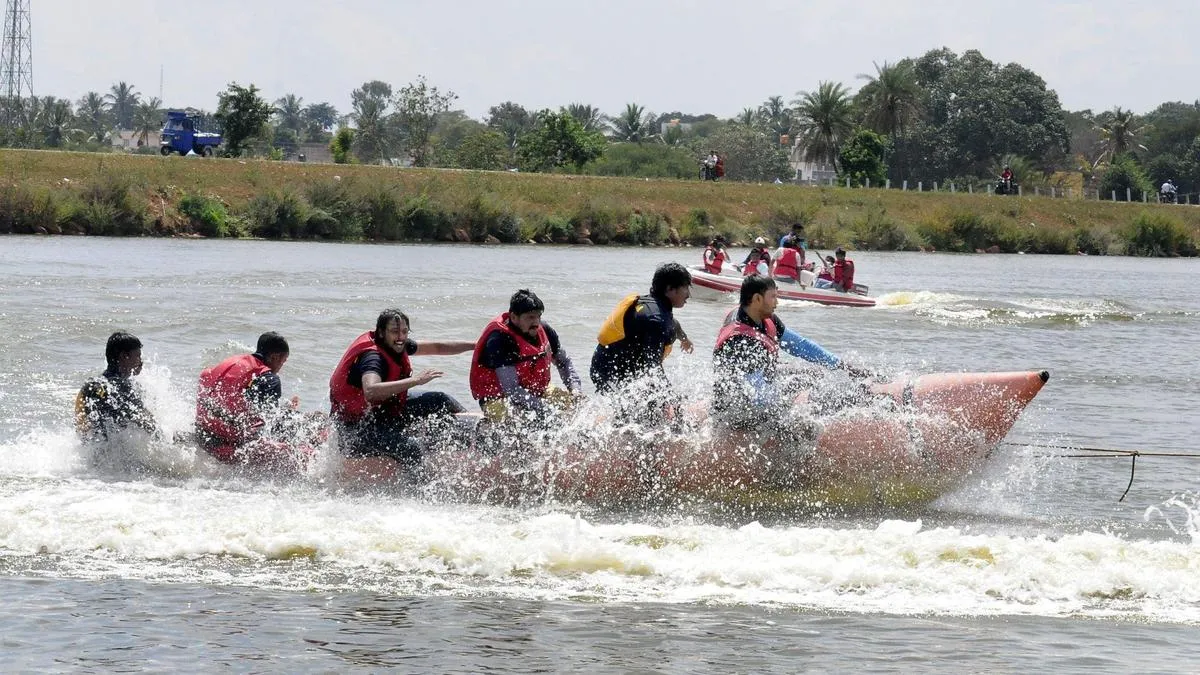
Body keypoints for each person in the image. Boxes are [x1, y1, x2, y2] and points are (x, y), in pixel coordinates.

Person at [712, 276, 869, 454]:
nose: (777, 302)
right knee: (804, 430)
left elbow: (801, 346)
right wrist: (792, 418)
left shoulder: (764, 319)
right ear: (757, 299)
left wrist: (841, 365)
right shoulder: (741, 341)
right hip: (737, 411)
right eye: (773, 297)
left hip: (757, 390)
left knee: (810, 374)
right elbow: (757, 397)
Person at [329, 309, 474, 467]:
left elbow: (437, 347)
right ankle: (420, 488)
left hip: (382, 413)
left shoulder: (397, 344)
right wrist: (416, 380)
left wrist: (476, 345)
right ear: (382, 333)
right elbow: (371, 391)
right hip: (355, 431)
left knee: (440, 400)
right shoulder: (372, 358)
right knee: (411, 447)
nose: (401, 337)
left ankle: (470, 437)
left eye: (405, 331)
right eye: (395, 332)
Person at [195, 332, 323, 470]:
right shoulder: (269, 378)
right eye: (283, 361)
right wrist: (289, 413)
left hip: (202, 433)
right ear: (275, 357)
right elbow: (268, 422)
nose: (281, 366)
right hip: (229, 443)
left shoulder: (234, 361)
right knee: (311, 433)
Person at [590, 263, 693, 419]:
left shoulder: (655, 306)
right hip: (607, 372)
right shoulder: (655, 319)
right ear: (670, 289)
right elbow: (652, 368)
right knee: (633, 415)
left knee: (653, 404)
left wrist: (684, 339)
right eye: (686, 288)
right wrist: (673, 399)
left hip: (624, 367)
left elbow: (674, 324)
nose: (688, 294)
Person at [469, 289, 582, 425]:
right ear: (514, 317)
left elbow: (564, 362)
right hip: (498, 398)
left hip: (538, 391)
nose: (536, 322)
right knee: (515, 421)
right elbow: (511, 389)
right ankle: (486, 429)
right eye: (530, 317)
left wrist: (575, 390)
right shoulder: (499, 340)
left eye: (538, 316)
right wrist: (544, 409)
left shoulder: (544, 330)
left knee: (573, 406)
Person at [75, 331, 158, 442]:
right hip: (119, 454)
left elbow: (80, 428)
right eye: (137, 356)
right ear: (124, 356)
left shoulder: (89, 386)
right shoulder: (123, 387)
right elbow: (149, 425)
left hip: (94, 452)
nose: (141, 361)